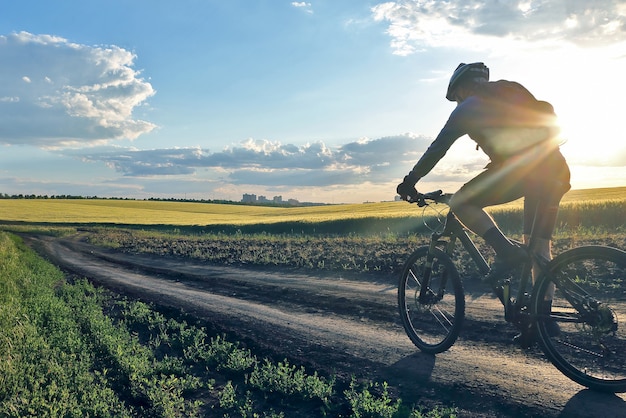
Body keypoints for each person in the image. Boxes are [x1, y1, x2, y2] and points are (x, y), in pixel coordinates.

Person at [397, 62, 570, 339]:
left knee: (461, 202)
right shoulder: (510, 89)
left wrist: (409, 182)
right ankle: (543, 323)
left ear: (462, 88)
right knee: (538, 247)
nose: (457, 101)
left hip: (523, 171)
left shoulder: (468, 107)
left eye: (456, 97)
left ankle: (504, 250)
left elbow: (437, 149)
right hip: (554, 170)